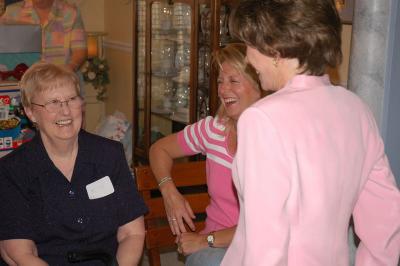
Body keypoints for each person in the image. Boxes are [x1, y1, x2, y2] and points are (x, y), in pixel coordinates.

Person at [221, 0, 400, 265]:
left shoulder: (261, 119)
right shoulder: (357, 110)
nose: (248, 58)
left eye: (250, 44)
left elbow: (266, 250)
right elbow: (386, 222)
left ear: (274, 48)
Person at [0, 62, 148, 265]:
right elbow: (20, 252)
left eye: (71, 99)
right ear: (31, 112)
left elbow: (133, 234)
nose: (65, 111)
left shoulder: (109, 155)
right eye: (52, 102)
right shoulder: (14, 169)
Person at [149, 43, 263, 266]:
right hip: (216, 251)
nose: (222, 89)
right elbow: (158, 149)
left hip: (256, 247)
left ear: (260, 84)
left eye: (233, 81)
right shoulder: (213, 130)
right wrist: (169, 191)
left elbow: (261, 226)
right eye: (220, 81)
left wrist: (204, 240)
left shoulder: (276, 139)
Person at [1, 0, 87, 72]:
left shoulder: (71, 13)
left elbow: (79, 51)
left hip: (63, 82)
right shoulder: (12, 13)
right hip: (23, 83)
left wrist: (69, 69)